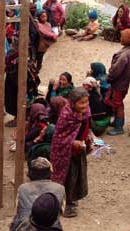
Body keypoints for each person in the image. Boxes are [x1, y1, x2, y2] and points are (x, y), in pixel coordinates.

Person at [50, 87, 92, 218]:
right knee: (67, 177)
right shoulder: (66, 115)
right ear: (73, 103)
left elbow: (85, 125)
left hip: (79, 151)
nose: (85, 105)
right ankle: (66, 204)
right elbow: (59, 137)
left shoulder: (85, 111)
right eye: (81, 103)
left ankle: (72, 199)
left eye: (86, 101)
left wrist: (89, 136)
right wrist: (73, 142)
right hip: (65, 154)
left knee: (77, 175)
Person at [10, 157, 66, 231]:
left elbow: (18, 209)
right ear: (50, 173)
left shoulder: (22, 188)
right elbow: (61, 212)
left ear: (30, 174)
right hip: (51, 227)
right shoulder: (60, 189)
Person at [104, 28, 130, 136]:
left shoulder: (123, 55)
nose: (120, 38)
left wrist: (109, 78)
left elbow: (116, 71)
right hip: (123, 83)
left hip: (119, 84)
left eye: (122, 37)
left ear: (126, 40)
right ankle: (117, 123)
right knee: (117, 103)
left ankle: (119, 127)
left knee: (118, 105)